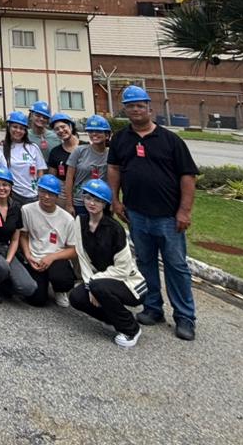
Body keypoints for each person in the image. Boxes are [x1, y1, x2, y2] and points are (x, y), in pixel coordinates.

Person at [108, 84, 200, 341]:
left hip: (168, 217)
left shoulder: (170, 140)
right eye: (130, 106)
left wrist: (184, 211)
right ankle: (152, 307)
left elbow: (188, 176)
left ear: (149, 108)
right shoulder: (121, 139)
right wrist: (115, 201)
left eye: (140, 105)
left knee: (176, 266)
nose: (136, 110)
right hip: (136, 214)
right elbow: (114, 169)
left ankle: (185, 317)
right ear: (125, 110)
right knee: (145, 262)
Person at [69, 179, 148, 347]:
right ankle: (113, 319)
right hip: (101, 281)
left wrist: (94, 284)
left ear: (105, 204)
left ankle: (131, 329)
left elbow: (123, 269)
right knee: (76, 297)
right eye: (88, 198)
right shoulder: (80, 221)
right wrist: (90, 285)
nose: (92, 203)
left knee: (97, 287)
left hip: (130, 283)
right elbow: (82, 257)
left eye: (97, 200)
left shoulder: (115, 229)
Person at [0, 165, 36, 303]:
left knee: (28, 287)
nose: (1, 188)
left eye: (5, 184)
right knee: (1, 267)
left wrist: (8, 261)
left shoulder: (16, 208)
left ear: (11, 187)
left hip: (6, 248)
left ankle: (2, 282)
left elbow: (15, 239)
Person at [19, 174, 79, 307]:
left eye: (51, 194)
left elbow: (73, 250)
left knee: (62, 279)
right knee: (37, 300)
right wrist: (28, 256)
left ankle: (60, 290)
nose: (46, 196)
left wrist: (51, 257)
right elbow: (23, 235)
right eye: (43, 191)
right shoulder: (27, 210)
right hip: (35, 257)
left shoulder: (68, 219)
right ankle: (42, 282)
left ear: (57, 196)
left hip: (56, 258)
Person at [66, 115, 113, 218]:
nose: (94, 134)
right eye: (91, 131)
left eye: (98, 131)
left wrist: (113, 201)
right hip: (80, 202)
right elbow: (69, 178)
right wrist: (69, 204)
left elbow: (114, 180)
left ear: (107, 135)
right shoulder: (79, 151)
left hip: (102, 201)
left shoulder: (112, 154)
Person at [3, 110, 47, 209]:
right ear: (9, 127)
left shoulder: (33, 147)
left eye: (22, 128)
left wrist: (40, 191)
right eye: (15, 127)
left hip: (33, 195)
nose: (18, 131)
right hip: (13, 195)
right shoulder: (2, 149)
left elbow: (40, 171)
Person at [46, 113, 80, 202]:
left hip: (84, 194)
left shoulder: (85, 147)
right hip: (63, 196)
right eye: (56, 129)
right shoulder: (55, 152)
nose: (60, 130)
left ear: (70, 127)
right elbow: (52, 177)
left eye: (63, 127)